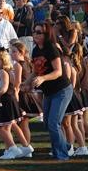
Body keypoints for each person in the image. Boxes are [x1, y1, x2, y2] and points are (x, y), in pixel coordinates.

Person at [22, 21, 73, 161]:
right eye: (34, 31)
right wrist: (26, 83)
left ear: (46, 34)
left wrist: (43, 78)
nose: (35, 34)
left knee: (53, 123)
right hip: (49, 92)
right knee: (47, 123)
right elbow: (35, 71)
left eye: (39, 32)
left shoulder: (51, 49)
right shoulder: (36, 50)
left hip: (61, 90)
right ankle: (65, 146)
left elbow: (58, 72)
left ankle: (61, 155)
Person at [0, 48, 33, 159]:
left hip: (5, 101)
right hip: (10, 100)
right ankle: (25, 146)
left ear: (4, 60)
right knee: (11, 125)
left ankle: (13, 148)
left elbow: (4, 89)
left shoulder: (2, 72)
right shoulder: (9, 72)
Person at [11, 41, 41, 148]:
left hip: (22, 95)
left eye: (14, 51)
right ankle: (26, 146)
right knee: (24, 123)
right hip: (28, 95)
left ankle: (26, 146)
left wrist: (16, 98)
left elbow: (17, 83)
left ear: (21, 53)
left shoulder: (18, 65)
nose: (11, 54)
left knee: (22, 123)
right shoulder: (28, 63)